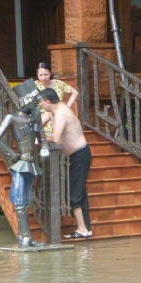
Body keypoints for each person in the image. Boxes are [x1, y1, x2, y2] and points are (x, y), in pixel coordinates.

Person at [0, 81, 49, 248]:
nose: (37, 102)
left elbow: (42, 136)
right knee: (20, 201)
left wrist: (44, 148)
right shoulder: (12, 118)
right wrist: (12, 155)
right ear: (25, 100)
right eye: (34, 100)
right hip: (20, 163)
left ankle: (27, 238)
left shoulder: (36, 115)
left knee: (27, 199)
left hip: (31, 162)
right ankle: (24, 237)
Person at [38, 87, 92, 239]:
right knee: (78, 191)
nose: (41, 105)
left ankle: (82, 229)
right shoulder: (52, 111)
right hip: (72, 157)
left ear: (48, 102)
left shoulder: (61, 112)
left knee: (74, 193)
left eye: (41, 103)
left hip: (80, 154)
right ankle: (86, 228)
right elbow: (38, 124)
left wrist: (40, 139)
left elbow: (55, 138)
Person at [35, 62, 78, 135]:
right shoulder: (33, 85)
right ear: (37, 74)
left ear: (50, 74)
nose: (43, 77)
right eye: (41, 75)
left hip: (58, 119)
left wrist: (68, 106)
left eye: (46, 74)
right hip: (41, 120)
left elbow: (75, 92)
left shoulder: (58, 84)